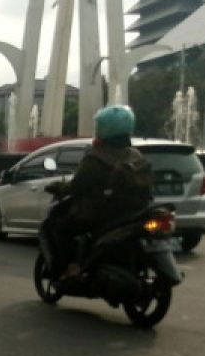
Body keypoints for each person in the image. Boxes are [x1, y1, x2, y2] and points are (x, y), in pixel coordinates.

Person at [54, 105, 153, 278]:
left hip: (102, 214)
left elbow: (77, 186)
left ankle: (73, 266)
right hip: (135, 212)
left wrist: (59, 188)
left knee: (62, 228)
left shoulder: (96, 159)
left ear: (106, 129)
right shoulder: (136, 155)